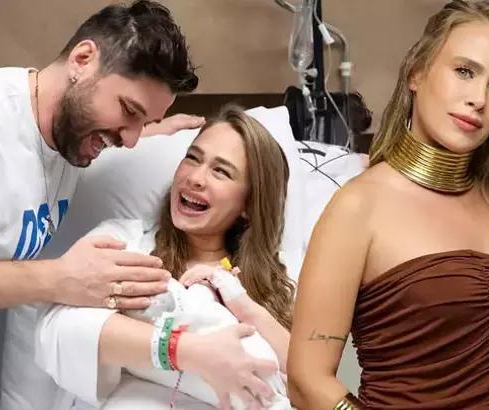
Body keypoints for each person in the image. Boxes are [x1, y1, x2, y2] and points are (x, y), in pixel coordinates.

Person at [0, 2, 201, 410]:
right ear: (82, 59)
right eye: (129, 111)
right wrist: (60, 279)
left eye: (141, 124)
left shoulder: (68, 135)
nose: (129, 139)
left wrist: (149, 134)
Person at [287, 1, 489, 409]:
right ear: (416, 73)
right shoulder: (359, 206)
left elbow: (476, 327)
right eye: (465, 71)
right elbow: (306, 381)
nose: (479, 98)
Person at [35, 106, 295, 410]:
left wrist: (248, 310)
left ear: (248, 205)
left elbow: (304, 381)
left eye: (221, 171)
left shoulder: (279, 283)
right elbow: (59, 330)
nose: (195, 177)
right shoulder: (123, 242)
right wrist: (189, 352)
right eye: (192, 158)